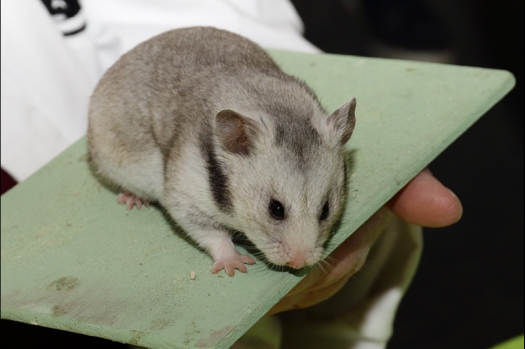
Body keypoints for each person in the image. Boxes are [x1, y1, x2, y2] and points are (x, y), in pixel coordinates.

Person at [1, 1, 462, 348]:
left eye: (324, 210)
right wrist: (221, 246)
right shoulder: (208, 160)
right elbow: (179, 195)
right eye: (276, 210)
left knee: (377, 259)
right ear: (236, 142)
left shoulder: (310, 123)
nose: (301, 254)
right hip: (118, 131)